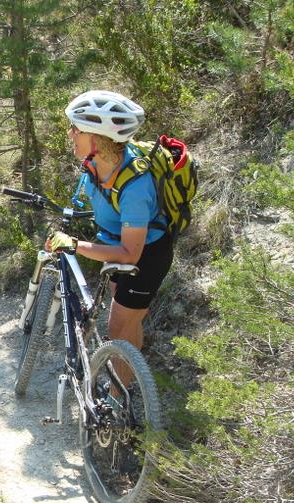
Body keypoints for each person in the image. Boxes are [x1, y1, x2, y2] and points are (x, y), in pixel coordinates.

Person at [46, 90, 173, 353]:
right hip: (112, 244)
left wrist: (74, 244)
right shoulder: (95, 162)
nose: (70, 134)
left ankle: (116, 394)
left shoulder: (136, 187)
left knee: (117, 332)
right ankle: (129, 376)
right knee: (127, 327)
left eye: (75, 129)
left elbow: (130, 254)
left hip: (145, 257)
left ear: (97, 138)